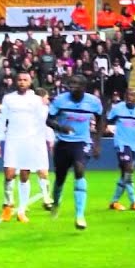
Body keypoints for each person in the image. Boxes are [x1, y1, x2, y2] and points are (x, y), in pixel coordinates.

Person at [46, 74, 106, 230]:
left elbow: (100, 119)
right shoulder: (60, 100)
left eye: (76, 84)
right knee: (60, 178)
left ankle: (80, 215)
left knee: (79, 170)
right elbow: (48, 119)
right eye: (70, 83)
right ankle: (56, 202)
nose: (71, 86)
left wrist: (97, 143)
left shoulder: (93, 102)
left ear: (83, 87)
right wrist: (61, 127)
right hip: (63, 142)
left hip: (82, 142)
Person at [0, 71, 47, 224]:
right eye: (20, 80)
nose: (22, 82)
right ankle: (7, 204)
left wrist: (38, 143)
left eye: (25, 80)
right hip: (12, 140)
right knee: (9, 174)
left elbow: (40, 122)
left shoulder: (36, 100)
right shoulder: (9, 99)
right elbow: (2, 120)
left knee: (25, 175)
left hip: (29, 141)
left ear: (30, 82)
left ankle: (22, 210)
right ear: (15, 82)